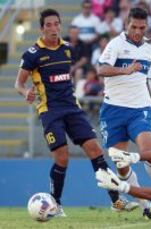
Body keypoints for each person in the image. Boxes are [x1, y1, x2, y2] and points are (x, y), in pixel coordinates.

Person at [14, 8, 138, 217]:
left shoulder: (68, 49)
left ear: (60, 25)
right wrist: (26, 91)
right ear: (41, 28)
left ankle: (116, 201)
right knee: (62, 157)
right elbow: (18, 82)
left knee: (95, 150)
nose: (53, 29)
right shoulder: (32, 54)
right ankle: (56, 204)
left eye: (56, 24)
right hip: (50, 111)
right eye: (49, 25)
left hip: (72, 108)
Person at [96, 7, 151, 220]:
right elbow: (101, 70)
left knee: (148, 152)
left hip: (139, 109)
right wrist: (124, 69)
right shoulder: (116, 44)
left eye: (141, 27)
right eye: (133, 27)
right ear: (126, 24)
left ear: (146, 26)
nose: (137, 31)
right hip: (113, 111)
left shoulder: (148, 50)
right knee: (121, 164)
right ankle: (146, 205)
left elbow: (145, 81)